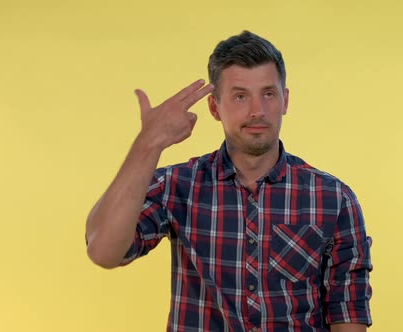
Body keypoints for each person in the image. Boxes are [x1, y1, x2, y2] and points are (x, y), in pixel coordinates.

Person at [85, 30, 373, 332]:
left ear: (285, 100)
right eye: (240, 96)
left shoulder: (333, 199)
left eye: (268, 94)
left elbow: (347, 316)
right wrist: (149, 143)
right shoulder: (178, 185)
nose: (257, 111)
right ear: (214, 107)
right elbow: (103, 251)